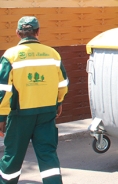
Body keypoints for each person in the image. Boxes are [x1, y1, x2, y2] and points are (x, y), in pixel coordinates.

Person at [0, 16, 68, 184]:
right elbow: (63, 83)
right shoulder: (53, 54)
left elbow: (3, 89)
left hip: (19, 115)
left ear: (18, 33)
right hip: (46, 113)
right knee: (48, 156)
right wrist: (59, 102)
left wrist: (1, 116)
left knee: (13, 157)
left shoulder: (11, 56)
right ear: (38, 32)